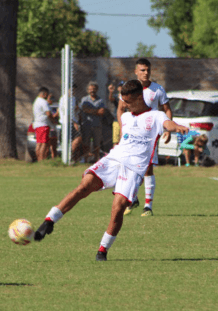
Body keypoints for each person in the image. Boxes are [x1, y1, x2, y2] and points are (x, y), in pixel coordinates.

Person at [33, 80, 189, 261]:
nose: (126, 106)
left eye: (128, 102)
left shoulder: (156, 116)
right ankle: (50, 220)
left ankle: (102, 250)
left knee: (118, 208)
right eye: (123, 101)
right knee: (84, 185)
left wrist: (177, 127)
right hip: (114, 159)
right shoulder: (126, 117)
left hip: (134, 168)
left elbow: (168, 124)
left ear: (140, 98)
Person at [119, 58, 173, 217]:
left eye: (147, 70)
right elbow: (121, 109)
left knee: (148, 168)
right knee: (130, 167)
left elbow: (167, 109)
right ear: (136, 71)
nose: (145, 73)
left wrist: (167, 128)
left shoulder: (157, 89)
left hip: (150, 135)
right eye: (142, 70)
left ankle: (148, 206)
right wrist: (123, 129)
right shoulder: (128, 89)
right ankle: (133, 199)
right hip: (132, 135)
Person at [79, 81, 106, 162]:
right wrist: (96, 111)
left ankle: (96, 160)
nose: (92, 90)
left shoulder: (100, 100)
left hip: (97, 125)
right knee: (86, 144)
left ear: (96, 89)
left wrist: (90, 110)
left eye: (94, 89)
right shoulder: (84, 99)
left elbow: (102, 112)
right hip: (86, 125)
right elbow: (84, 109)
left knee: (97, 144)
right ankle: (86, 160)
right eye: (90, 89)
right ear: (87, 90)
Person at [59, 87, 83, 162]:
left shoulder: (73, 98)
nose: (73, 91)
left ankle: (71, 156)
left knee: (76, 139)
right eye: (71, 90)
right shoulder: (65, 99)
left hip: (72, 122)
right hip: (67, 123)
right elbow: (67, 113)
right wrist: (74, 122)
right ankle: (69, 155)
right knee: (78, 137)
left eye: (74, 90)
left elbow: (74, 111)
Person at [32, 87, 55, 161]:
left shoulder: (36, 101)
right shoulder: (43, 102)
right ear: (45, 94)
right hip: (43, 124)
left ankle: (38, 159)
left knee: (39, 143)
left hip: (37, 124)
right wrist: (53, 120)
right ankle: (41, 160)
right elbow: (48, 113)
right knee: (44, 143)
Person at [108, 81, 124, 146]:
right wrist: (111, 92)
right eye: (120, 86)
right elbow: (111, 99)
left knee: (123, 139)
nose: (122, 88)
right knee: (116, 140)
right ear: (118, 88)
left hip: (125, 121)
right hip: (117, 120)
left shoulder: (128, 97)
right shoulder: (116, 96)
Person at [46, 93, 59, 159]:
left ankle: (54, 158)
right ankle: (46, 159)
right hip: (49, 128)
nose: (52, 100)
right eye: (50, 98)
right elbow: (51, 117)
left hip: (53, 128)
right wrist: (57, 113)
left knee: (54, 146)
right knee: (47, 146)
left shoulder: (53, 107)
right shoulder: (46, 106)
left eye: (52, 98)